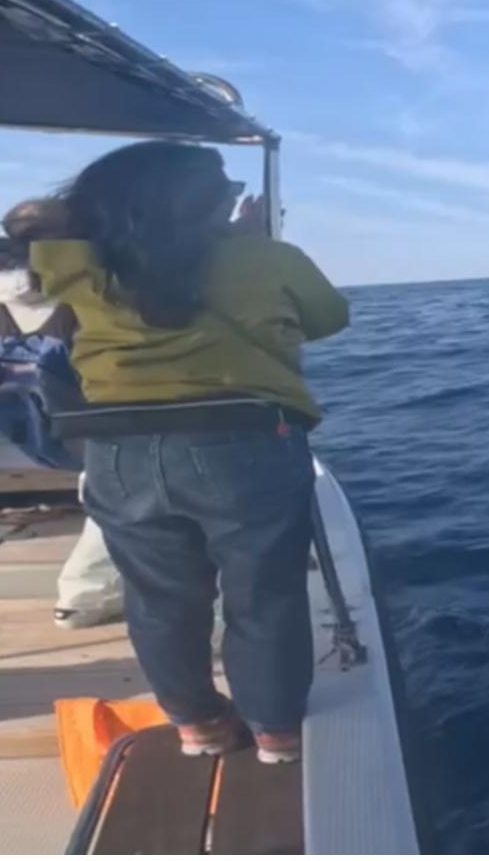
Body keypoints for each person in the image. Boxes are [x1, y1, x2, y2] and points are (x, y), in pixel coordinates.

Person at [27, 140, 349, 765]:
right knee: (264, 595)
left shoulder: (79, 266)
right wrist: (249, 243)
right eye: (226, 190)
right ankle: (276, 731)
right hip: (243, 444)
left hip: (117, 451)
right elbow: (327, 317)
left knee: (157, 598)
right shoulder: (266, 258)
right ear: (208, 204)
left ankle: (199, 725)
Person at [0, 200, 124, 630]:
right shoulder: (86, 285)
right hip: (101, 411)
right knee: (119, 498)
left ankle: (87, 595)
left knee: (106, 493)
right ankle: (83, 597)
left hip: (40, 417)